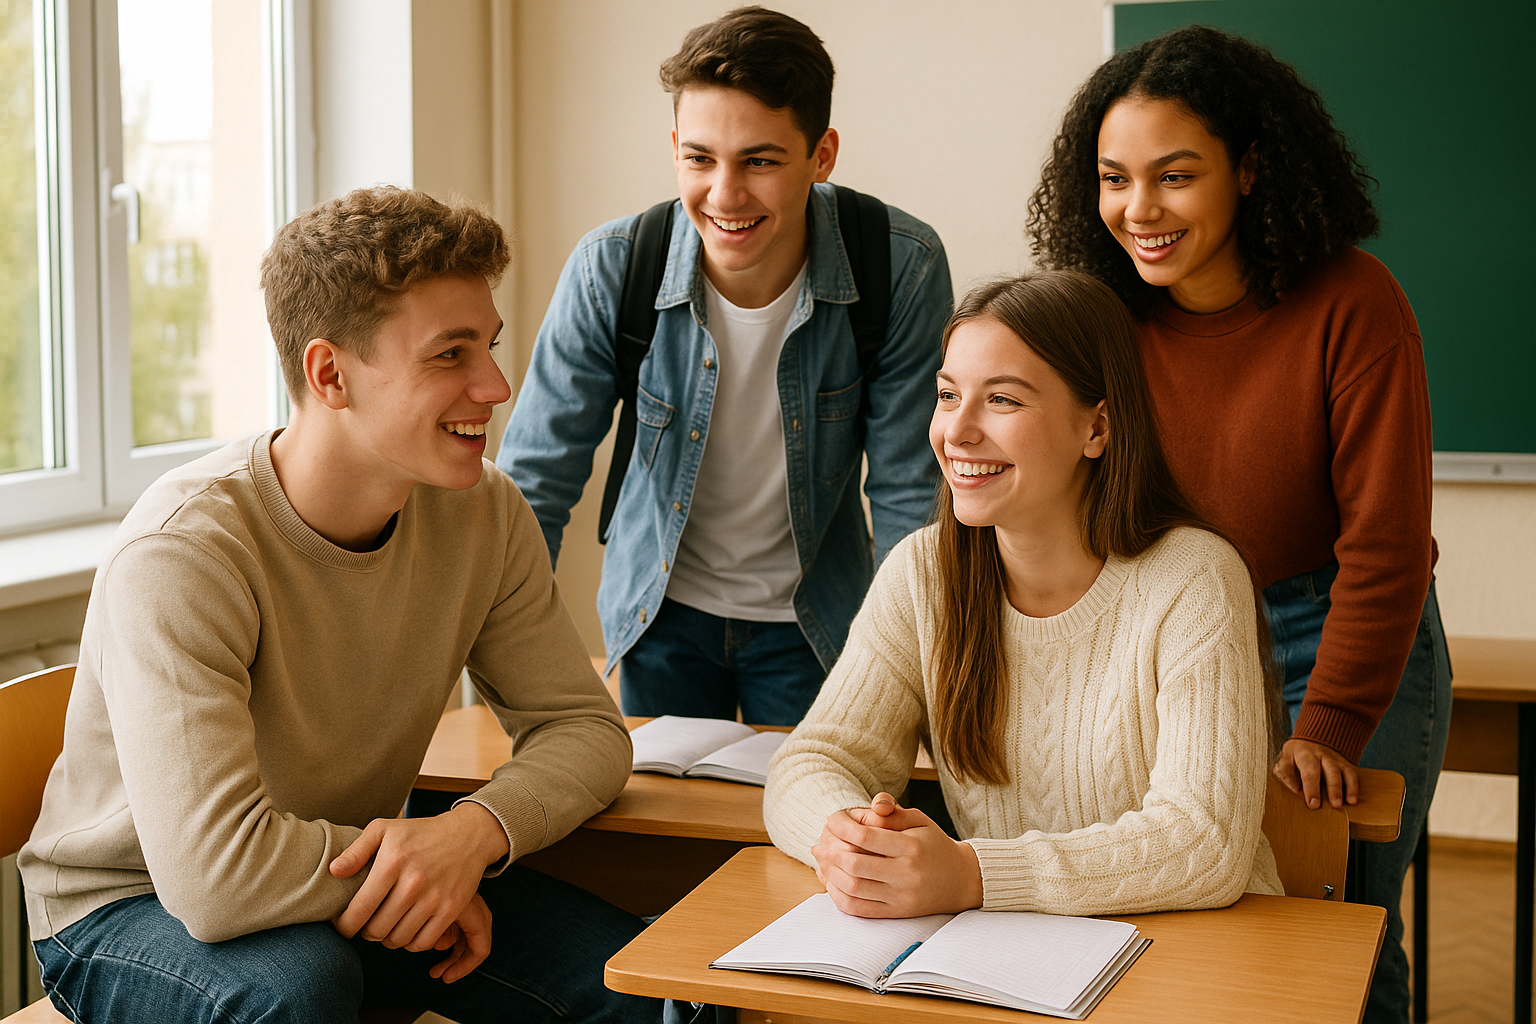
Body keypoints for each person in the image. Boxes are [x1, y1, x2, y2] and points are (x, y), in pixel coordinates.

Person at [19, 187, 661, 1024]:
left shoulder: (484, 512)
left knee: (645, 984)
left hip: (338, 865)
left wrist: (469, 835)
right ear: (330, 375)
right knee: (302, 991)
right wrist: (413, 867)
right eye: (451, 355)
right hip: (129, 906)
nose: (497, 385)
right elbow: (214, 880)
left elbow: (586, 732)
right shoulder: (184, 553)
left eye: (490, 347)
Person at [1025, 25, 1449, 1024]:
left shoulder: (1354, 303)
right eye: (1114, 178)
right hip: (1180, 638)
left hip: (1335, 634)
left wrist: (1331, 719)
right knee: (1201, 928)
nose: (1139, 210)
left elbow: (1385, 547)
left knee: (1338, 929)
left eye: (1175, 176)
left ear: (1251, 168)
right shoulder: (1101, 318)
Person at [763, 271, 1284, 920]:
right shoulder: (922, 573)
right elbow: (812, 759)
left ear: (1096, 429)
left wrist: (974, 874)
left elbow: (1204, 842)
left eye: (1002, 401)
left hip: (1202, 962)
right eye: (948, 395)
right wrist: (846, 841)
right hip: (1014, 963)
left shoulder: (1193, 579)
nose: (957, 432)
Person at [497, 6, 952, 725]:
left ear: (822, 155)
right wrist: (517, 667)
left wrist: (903, 670)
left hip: (820, 624)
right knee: (664, 836)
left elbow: (908, 493)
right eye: (700, 159)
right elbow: (533, 485)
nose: (725, 195)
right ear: (674, 146)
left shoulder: (899, 264)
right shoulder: (611, 269)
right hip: (660, 618)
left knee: (811, 830)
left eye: (760, 161)